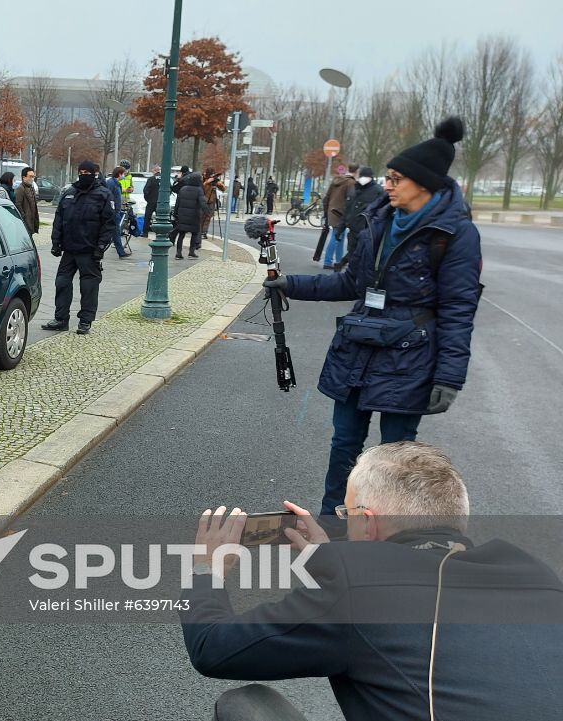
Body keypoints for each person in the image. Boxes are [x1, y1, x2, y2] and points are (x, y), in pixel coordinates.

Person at [182, 441, 563, 721]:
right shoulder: (537, 575)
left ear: (366, 519)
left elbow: (212, 648)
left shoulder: (356, 587)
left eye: (346, 512)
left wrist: (206, 569)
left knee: (246, 707)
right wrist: (333, 558)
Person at [262, 118, 481, 517]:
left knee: (397, 460)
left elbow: (458, 310)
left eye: (397, 178)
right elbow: (351, 283)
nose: (388, 185)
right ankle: (333, 522)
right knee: (344, 444)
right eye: (389, 177)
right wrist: (291, 284)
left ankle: (390, 534)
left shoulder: (453, 234)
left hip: (410, 358)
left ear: (424, 184)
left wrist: (449, 377)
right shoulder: (379, 220)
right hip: (358, 350)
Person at [42, 160, 114, 335]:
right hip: (69, 250)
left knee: (88, 287)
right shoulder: (69, 193)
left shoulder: (103, 194)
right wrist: (55, 242)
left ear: (93, 174)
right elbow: (59, 219)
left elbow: (109, 224)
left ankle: (85, 321)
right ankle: (60, 319)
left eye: (86, 172)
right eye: (80, 171)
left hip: (90, 251)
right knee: (62, 283)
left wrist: (101, 247)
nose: (83, 174)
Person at [334, 166, 385, 271]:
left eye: (365, 176)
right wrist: (340, 228)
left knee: (360, 256)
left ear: (371, 177)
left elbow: (382, 212)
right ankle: (346, 269)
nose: (363, 179)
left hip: (367, 230)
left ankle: (345, 266)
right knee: (353, 253)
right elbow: (348, 210)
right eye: (361, 176)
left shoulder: (378, 191)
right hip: (353, 230)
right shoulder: (354, 189)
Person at [318, 164, 355, 269]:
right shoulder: (351, 183)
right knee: (336, 236)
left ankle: (339, 261)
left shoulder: (335, 181)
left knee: (340, 237)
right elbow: (351, 200)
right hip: (341, 214)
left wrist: (326, 213)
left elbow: (326, 198)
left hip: (332, 212)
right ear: (356, 172)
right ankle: (328, 261)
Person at [171, 171, 206, 259]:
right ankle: (191, 252)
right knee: (194, 234)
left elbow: (177, 203)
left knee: (181, 234)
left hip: (182, 215)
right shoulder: (199, 190)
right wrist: (207, 212)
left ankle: (178, 253)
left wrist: (175, 214)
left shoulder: (183, 189)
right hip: (194, 216)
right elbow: (202, 203)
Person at [104, 166, 130, 258]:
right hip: (113, 212)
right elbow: (108, 196)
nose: (123, 175)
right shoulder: (111, 183)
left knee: (116, 232)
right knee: (115, 232)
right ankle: (121, 252)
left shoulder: (115, 183)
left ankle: (121, 252)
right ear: (119, 174)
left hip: (116, 211)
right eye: (123, 174)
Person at [13, 166, 39, 237]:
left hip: (31, 221)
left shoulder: (32, 188)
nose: (32, 179)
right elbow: (18, 205)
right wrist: (24, 217)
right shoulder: (20, 189)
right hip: (24, 222)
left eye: (33, 177)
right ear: (24, 177)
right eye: (30, 176)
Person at [200, 168, 225, 236]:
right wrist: (207, 182)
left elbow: (223, 189)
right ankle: (199, 231)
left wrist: (219, 184)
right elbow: (200, 188)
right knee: (201, 217)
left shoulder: (214, 181)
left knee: (208, 217)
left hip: (211, 201)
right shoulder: (202, 179)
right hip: (203, 200)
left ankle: (204, 232)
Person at [141, 166, 160, 237]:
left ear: (154, 171)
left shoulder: (151, 179)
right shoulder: (164, 179)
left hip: (151, 201)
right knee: (160, 219)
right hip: (161, 203)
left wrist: (148, 199)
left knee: (147, 217)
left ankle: (145, 233)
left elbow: (146, 190)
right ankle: (159, 233)